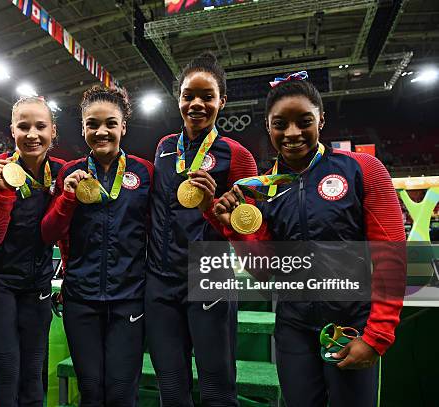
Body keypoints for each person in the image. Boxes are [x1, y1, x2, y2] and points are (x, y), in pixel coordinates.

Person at [209, 73, 406, 407]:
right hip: (294, 330)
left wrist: (377, 335)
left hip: (351, 325)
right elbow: (264, 270)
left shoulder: (362, 169)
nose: (292, 133)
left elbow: (391, 257)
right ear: (268, 126)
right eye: (280, 124)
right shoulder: (263, 188)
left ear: (321, 120)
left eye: (304, 122)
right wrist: (234, 228)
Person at [145, 51, 262, 406]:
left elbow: (248, 229)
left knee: (216, 383)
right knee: (170, 383)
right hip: (161, 277)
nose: (196, 104)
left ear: (221, 101)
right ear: (178, 99)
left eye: (207, 96)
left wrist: (212, 206)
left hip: (210, 271)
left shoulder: (237, 154)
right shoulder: (165, 148)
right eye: (188, 96)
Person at [41, 85, 152, 406]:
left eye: (110, 123)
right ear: (83, 127)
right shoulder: (69, 172)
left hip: (129, 301)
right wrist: (67, 198)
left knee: (121, 393)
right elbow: (49, 233)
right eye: (92, 124)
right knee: (91, 392)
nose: (101, 131)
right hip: (81, 301)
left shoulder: (144, 172)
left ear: (124, 127)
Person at [0, 96, 64, 406]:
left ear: (53, 131)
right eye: (23, 126)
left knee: (33, 370)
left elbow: (63, 231)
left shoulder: (62, 173)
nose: (32, 134)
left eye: (40, 126)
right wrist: (3, 196)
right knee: (7, 369)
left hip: (37, 285)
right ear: (12, 130)